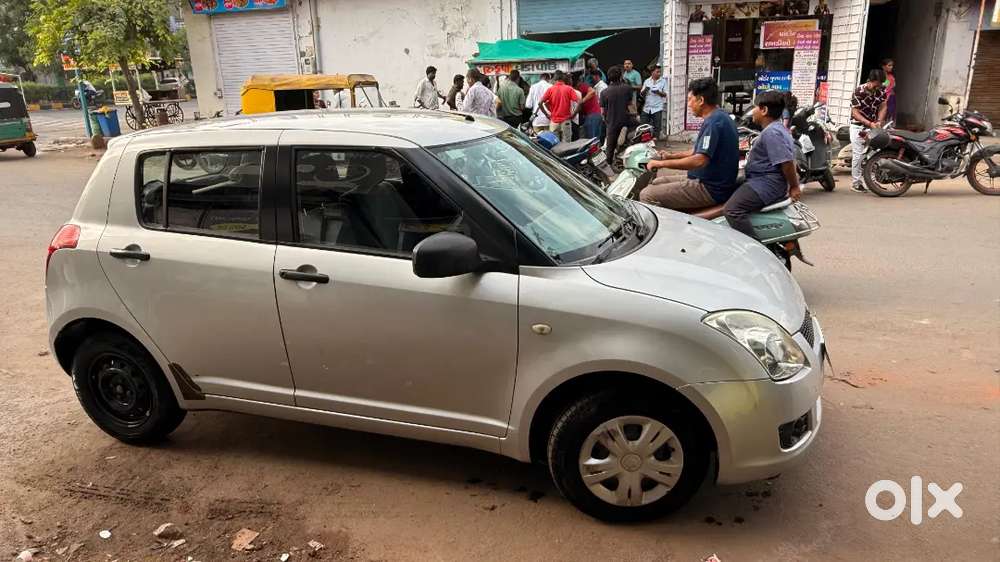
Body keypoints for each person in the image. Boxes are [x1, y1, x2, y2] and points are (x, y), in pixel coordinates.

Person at [639, 77, 739, 211]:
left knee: (647, 195)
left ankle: (671, 230)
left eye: (690, 99)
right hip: (705, 178)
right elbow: (697, 151)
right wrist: (670, 156)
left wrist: (660, 164)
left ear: (701, 100)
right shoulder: (719, 116)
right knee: (657, 182)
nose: (689, 104)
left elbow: (699, 160)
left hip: (710, 187)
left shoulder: (713, 123)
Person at [724, 90, 801, 238]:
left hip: (765, 184)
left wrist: (794, 186)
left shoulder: (772, 133)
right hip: (761, 181)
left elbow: (787, 162)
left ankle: (754, 250)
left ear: (764, 110)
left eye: (755, 107)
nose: (752, 111)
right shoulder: (776, 129)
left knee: (732, 210)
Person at [849, 69, 888, 192]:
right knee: (859, 155)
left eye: (881, 83)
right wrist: (869, 123)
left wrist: (879, 121)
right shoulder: (859, 91)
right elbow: (854, 112)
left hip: (873, 126)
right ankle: (856, 183)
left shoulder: (881, 91)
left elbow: (883, 106)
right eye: (877, 83)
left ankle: (872, 182)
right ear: (870, 81)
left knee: (874, 154)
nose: (879, 86)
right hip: (858, 126)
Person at [600, 66, 636, 163]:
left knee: (610, 148)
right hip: (627, 120)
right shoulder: (627, 88)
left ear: (608, 77)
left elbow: (602, 111)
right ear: (620, 76)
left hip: (612, 122)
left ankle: (610, 163)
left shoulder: (604, 92)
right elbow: (630, 104)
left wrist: (606, 120)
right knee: (634, 138)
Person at [539, 70, 580, 141]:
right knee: (566, 146)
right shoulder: (569, 89)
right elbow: (580, 102)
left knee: (554, 145)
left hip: (554, 122)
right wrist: (574, 114)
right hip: (566, 121)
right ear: (563, 78)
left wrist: (547, 114)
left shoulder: (550, 89)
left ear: (554, 79)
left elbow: (540, 103)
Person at [574, 71, 603, 140]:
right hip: (592, 115)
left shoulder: (582, 86)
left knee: (592, 139)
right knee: (593, 138)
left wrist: (582, 101)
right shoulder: (578, 88)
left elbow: (592, 92)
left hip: (593, 115)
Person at [640, 65, 667, 138]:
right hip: (647, 107)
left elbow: (665, 94)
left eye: (660, 72)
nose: (659, 73)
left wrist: (658, 92)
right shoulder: (647, 81)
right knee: (643, 125)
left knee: (657, 127)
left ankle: (655, 141)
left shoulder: (663, 81)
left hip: (657, 108)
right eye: (657, 72)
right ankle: (644, 140)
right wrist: (646, 89)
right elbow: (641, 94)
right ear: (652, 72)